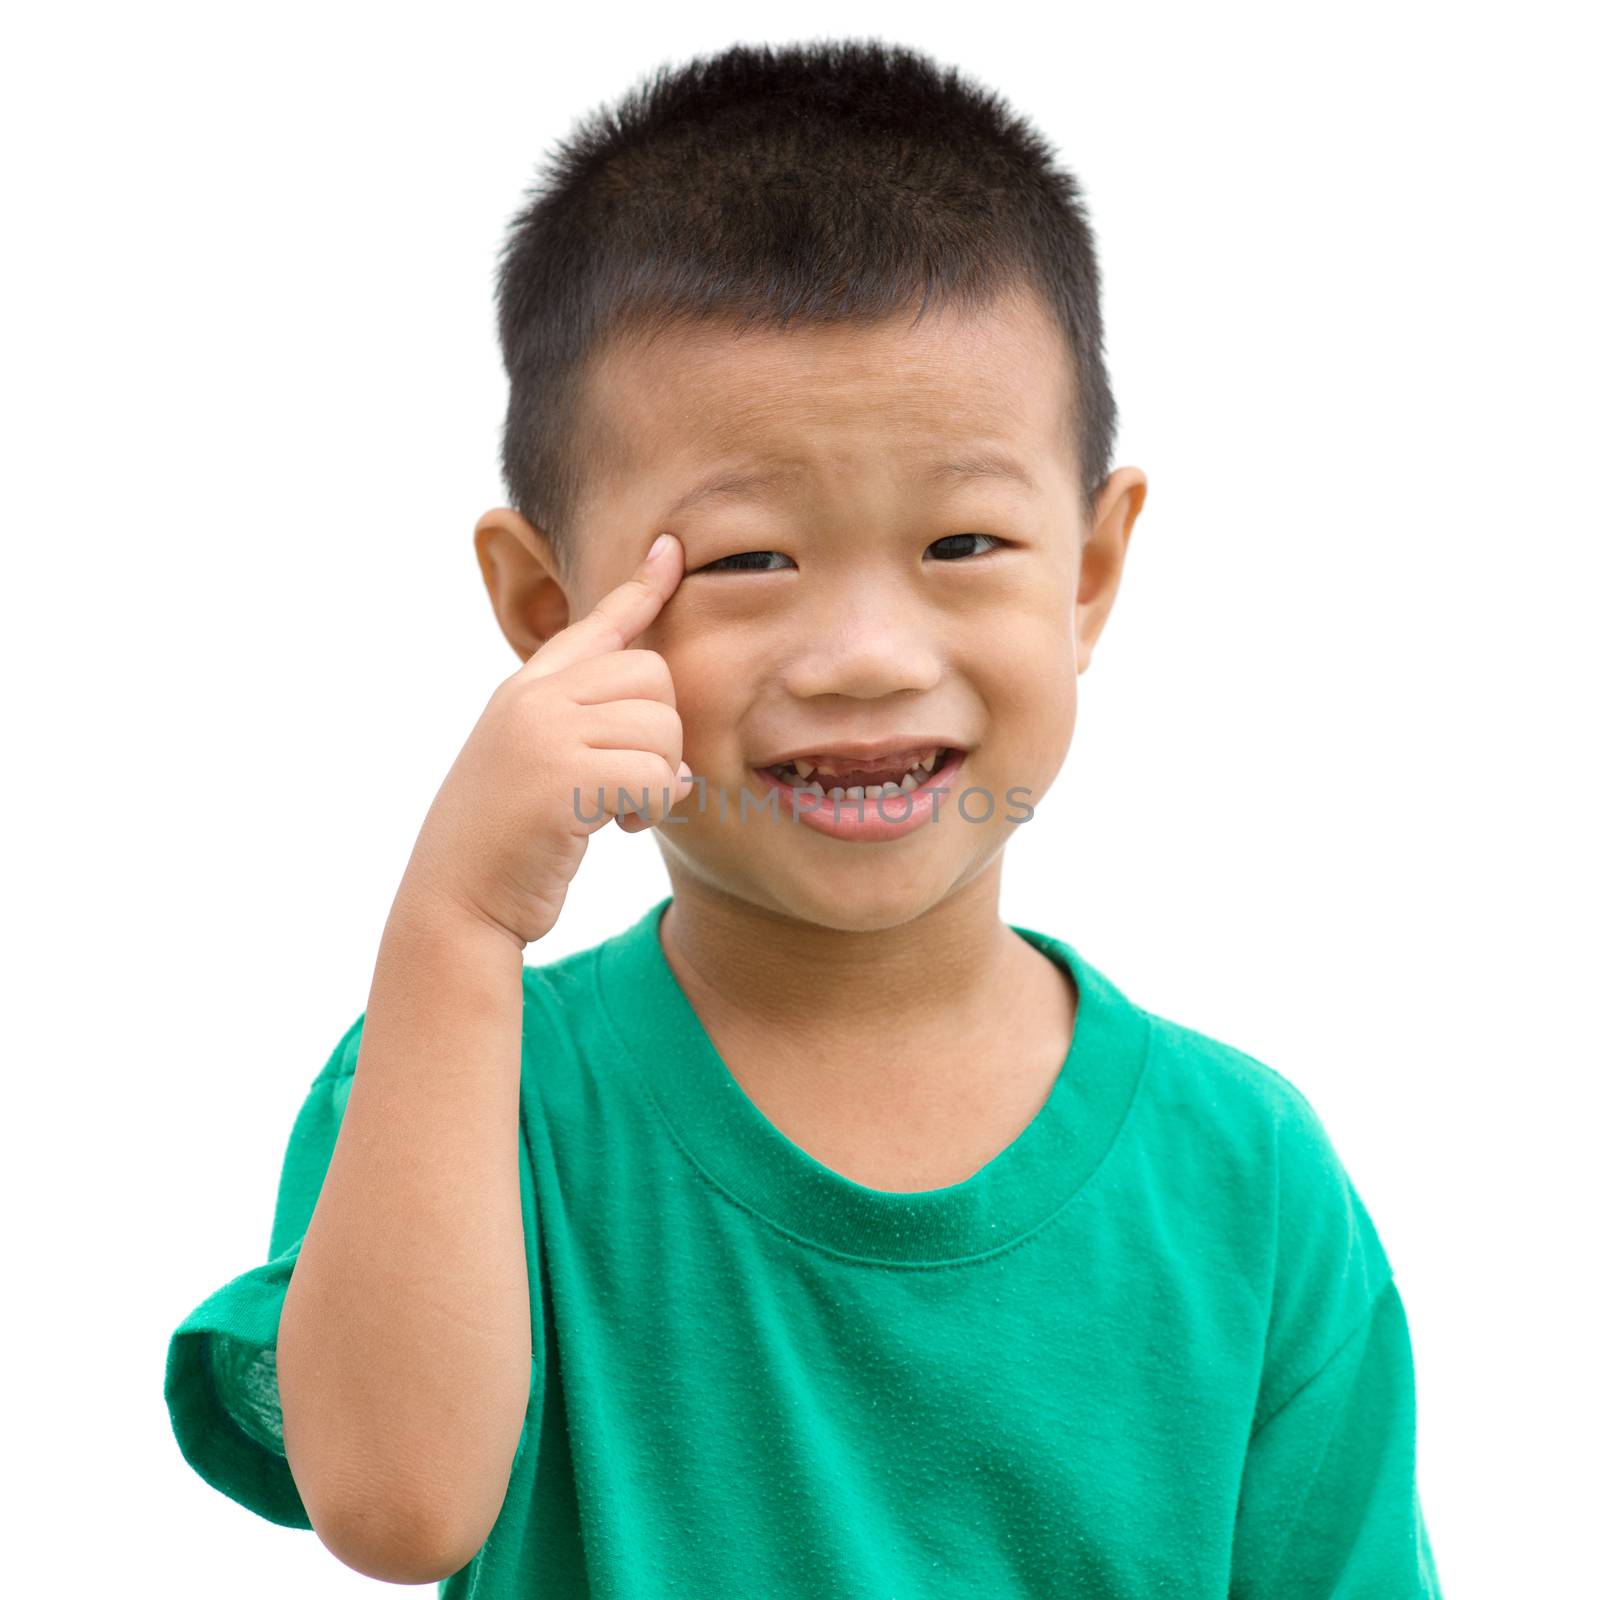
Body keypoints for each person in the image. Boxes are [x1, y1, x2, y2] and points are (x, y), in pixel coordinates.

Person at [164, 37, 1442, 1597]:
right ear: (551, 609)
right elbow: (399, 1511)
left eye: (963, 540)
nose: (864, 660)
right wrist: (457, 923)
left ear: (1092, 573)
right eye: (750, 561)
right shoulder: (468, 1079)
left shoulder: (1245, 1174)